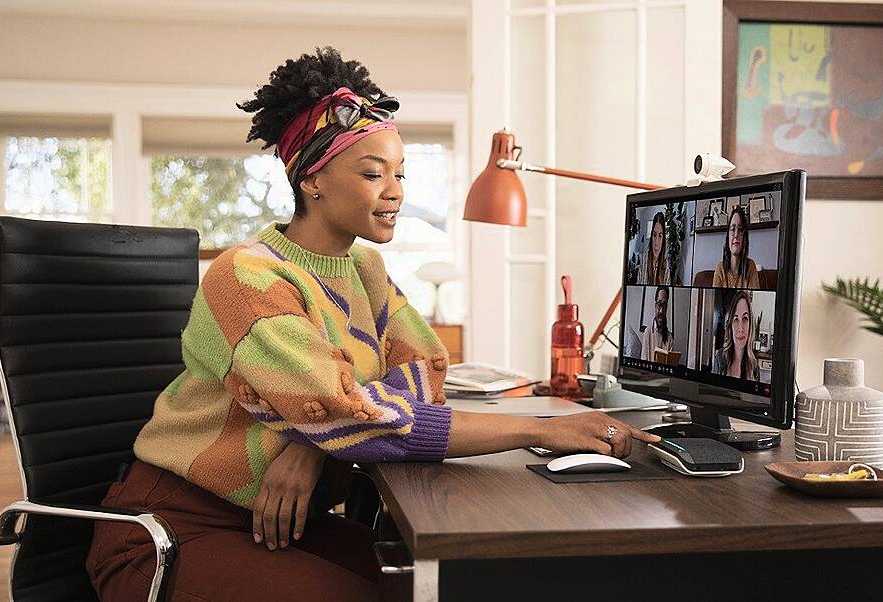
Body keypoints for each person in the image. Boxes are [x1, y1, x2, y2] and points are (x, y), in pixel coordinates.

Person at [85, 47, 660, 602]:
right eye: (372, 173)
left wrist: (320, 441)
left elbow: (425, 374)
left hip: (283, 523)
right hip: (171, 529)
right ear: (311, 178)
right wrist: (539, 429)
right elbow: (352, 416)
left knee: (451, 584)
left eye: (401, 174)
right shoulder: (248, 277)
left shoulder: (365, 269)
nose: (397, 193)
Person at [712, 206, 760, 289]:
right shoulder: (720, 268)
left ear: (744, 238)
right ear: (728, 237)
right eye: (733, 229)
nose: (736, 234)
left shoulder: (751, 266)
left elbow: (755, 300)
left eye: (740, 230)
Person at [718, 290, 758, 380]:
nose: (740, 329)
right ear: (730, 325)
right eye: (736, 319)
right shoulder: (719, 359)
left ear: (750, 325)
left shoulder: (754, 366)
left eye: (745, 318)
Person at [640, 286, 673, 362]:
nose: (661, 311)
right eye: (659, 304)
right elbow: (644, 361)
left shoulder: (670, 337)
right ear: (655, 306)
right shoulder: (647, 332)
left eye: (664, 305)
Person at [638, 212, 670, 285]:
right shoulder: (644, 259)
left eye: (660, 236)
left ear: (663, 240)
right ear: (651, 236)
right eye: (654, 235)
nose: (656, 243)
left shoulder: (666, 264)